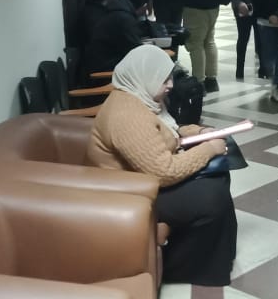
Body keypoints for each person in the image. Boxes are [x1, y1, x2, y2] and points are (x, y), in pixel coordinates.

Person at [85, 45, 237, 286]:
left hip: (141, 180)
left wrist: (200, 133)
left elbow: (170, 132)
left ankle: (217, 260)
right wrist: (209, 149)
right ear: (144, 76)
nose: (170, 85)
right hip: (127, 192)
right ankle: (181, 268)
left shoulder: (141, 97)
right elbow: (164, 172)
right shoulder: (128, 115)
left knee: (218, 177)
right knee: (210, 197)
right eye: (164, 79)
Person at [79, 0, 152, 84]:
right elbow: (135, 51)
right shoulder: (124, 18)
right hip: (101, 76)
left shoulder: (119, 11)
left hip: (102, 67)